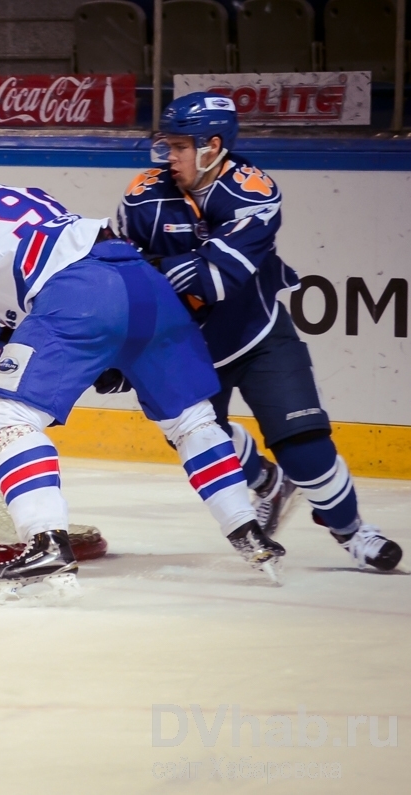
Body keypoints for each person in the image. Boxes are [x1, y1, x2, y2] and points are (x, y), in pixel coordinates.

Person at [0, 135, 278, 605]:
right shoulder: (23, 195)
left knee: (6, 419)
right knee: (192, 420)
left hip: (81, 297)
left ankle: (45, 545)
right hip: (141, 282)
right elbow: (33, 277)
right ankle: (248, 531)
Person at [117, 93, 401, 572]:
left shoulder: (255, 192)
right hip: (185, 347)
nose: (170, 156)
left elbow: (215, 282)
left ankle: (353, 531)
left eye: (180, 146)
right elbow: (121, 271)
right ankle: (265, 482)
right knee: (199, 439)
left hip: (257, 333)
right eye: (167, 145)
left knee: (304, 446)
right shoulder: (143, 195)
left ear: (213, 145)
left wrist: (158, 268)